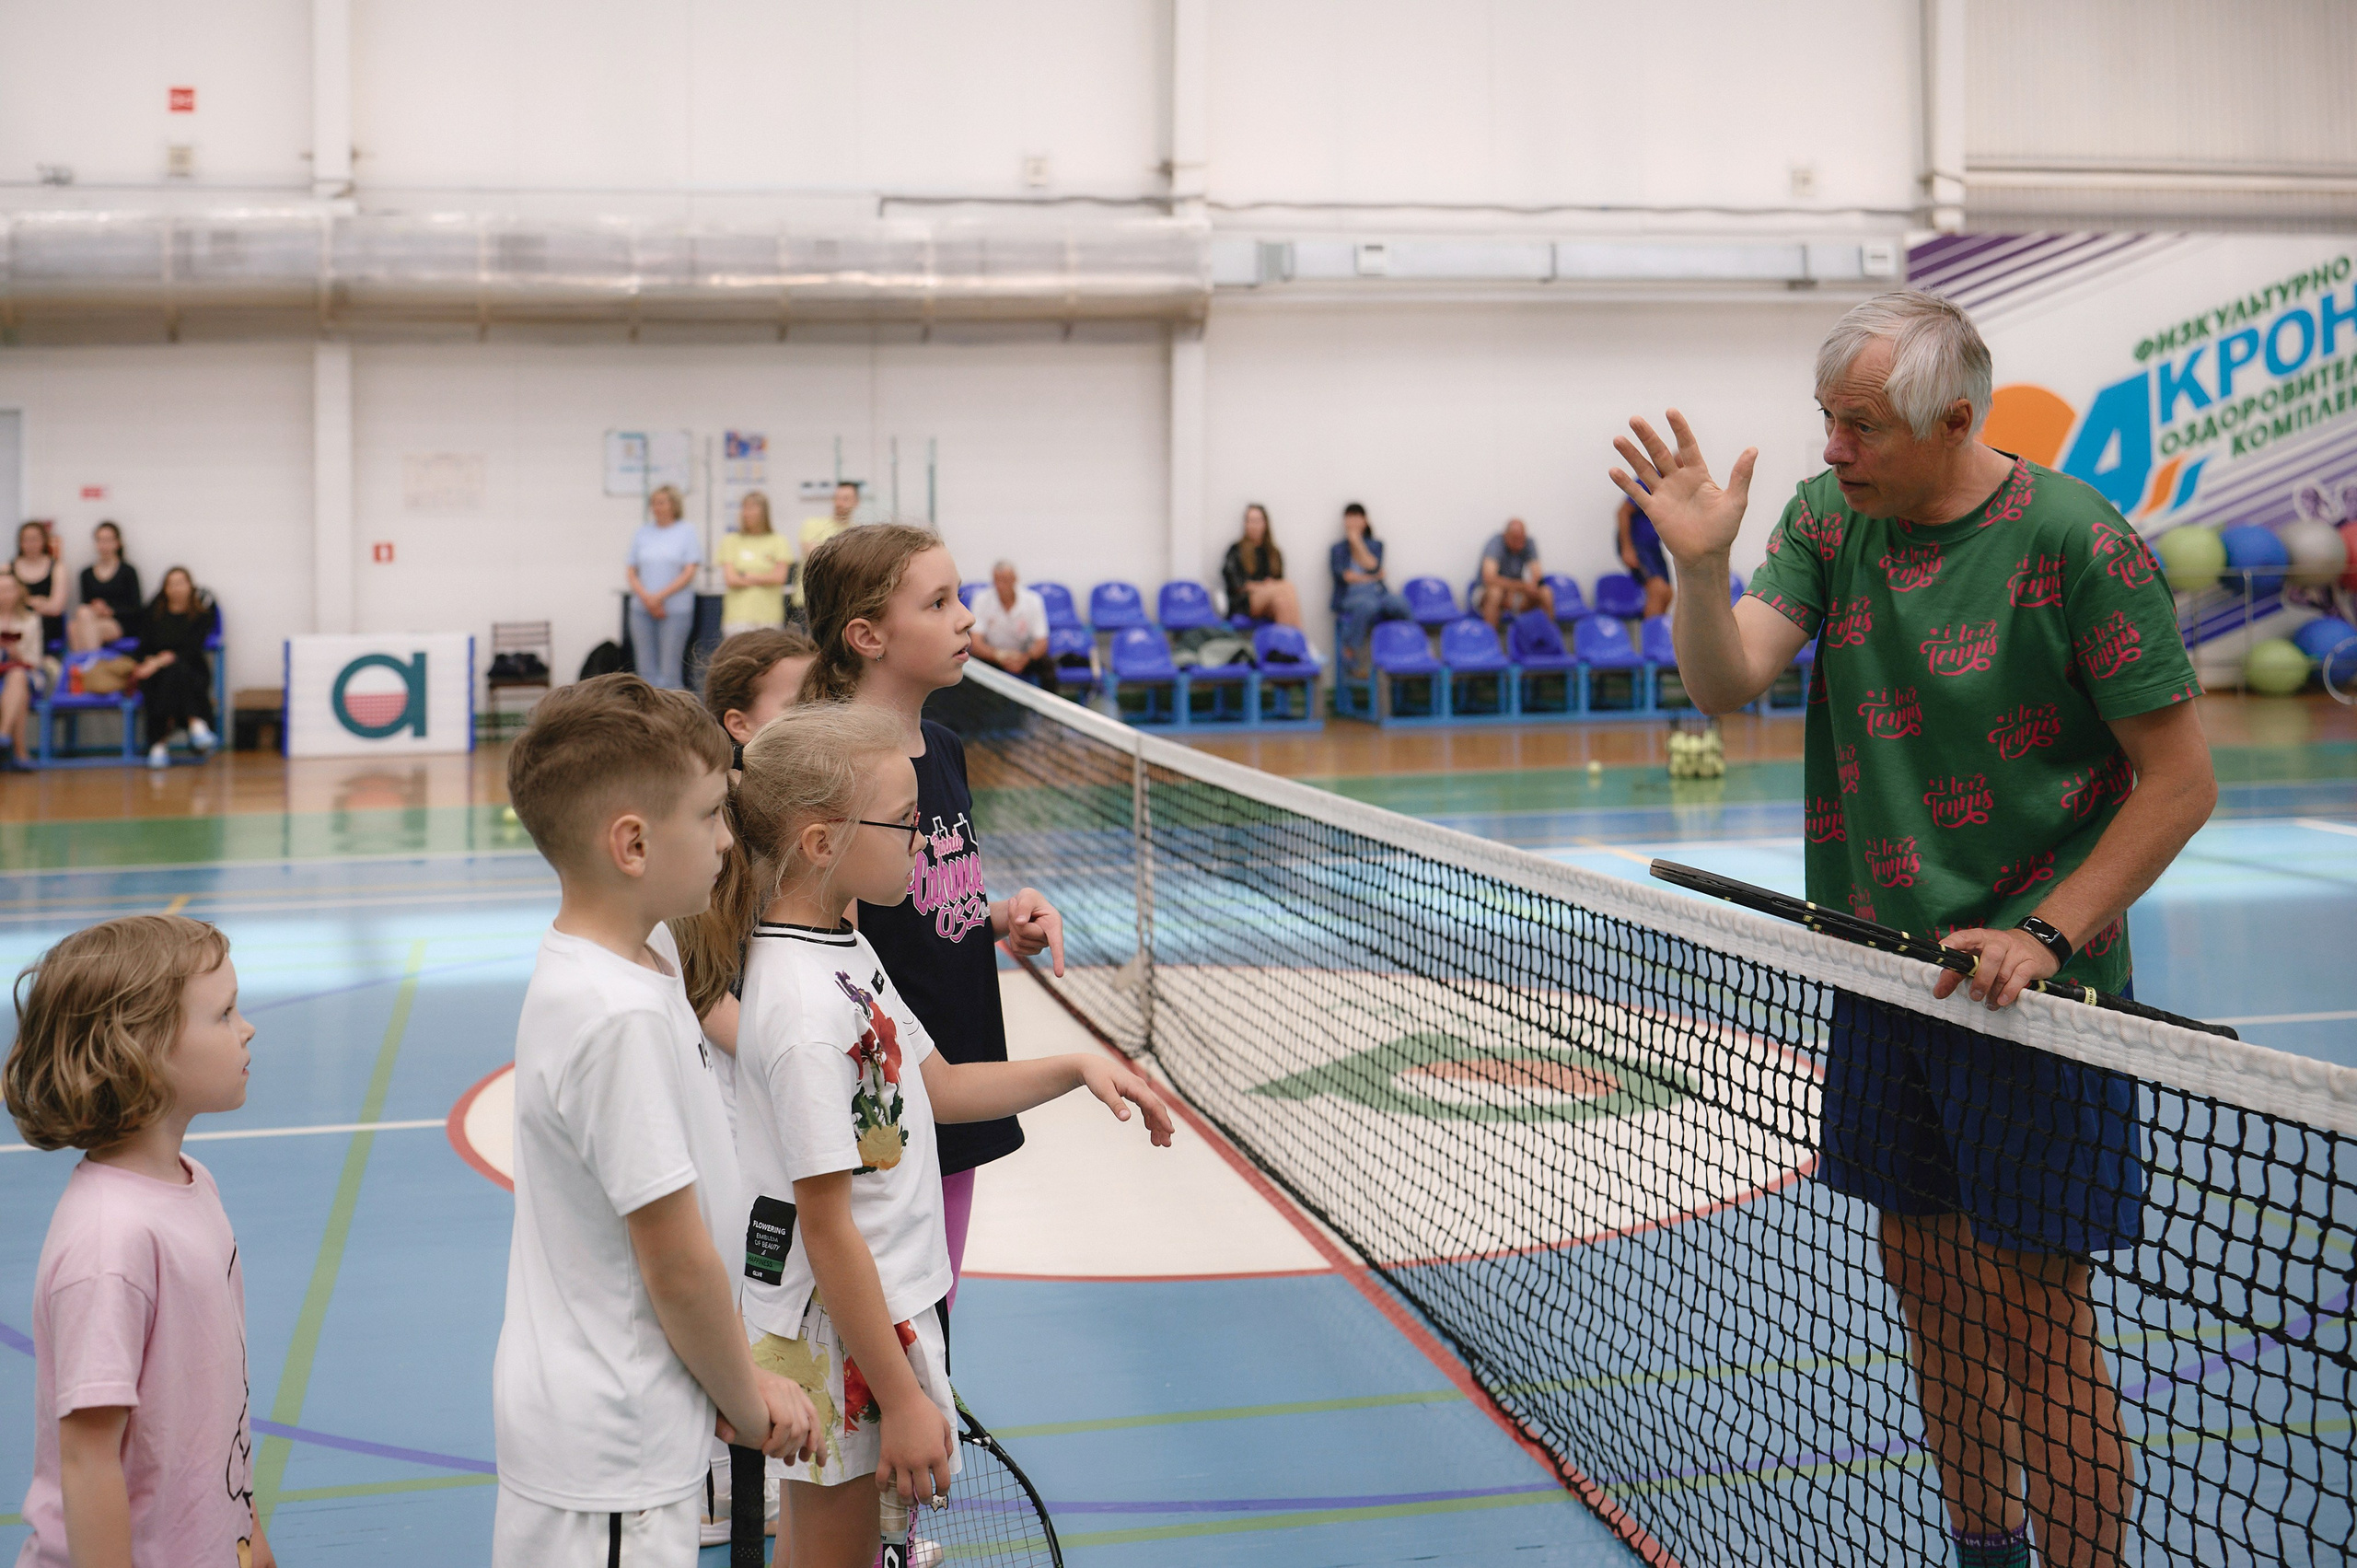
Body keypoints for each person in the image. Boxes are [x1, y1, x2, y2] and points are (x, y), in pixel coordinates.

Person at [1611, 289, 2214, 1568]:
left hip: (2039, 1002)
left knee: (2039, 1317)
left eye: (1863, 426)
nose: (1832, 449)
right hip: (1881, 976)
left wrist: (2044, 934)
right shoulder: (1834, 519)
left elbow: (2180, 782)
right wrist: (1702, 567)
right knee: (1930, 1291)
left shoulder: (2078, 543)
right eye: (1826, 420)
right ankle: (1984, 1550)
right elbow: (1726, 683)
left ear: (1954, 418)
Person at [677, 701, 1172, 1568]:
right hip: (838, 1333)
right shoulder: (798, 1007)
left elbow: (935, 1086)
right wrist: (902, 1398)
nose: (925, 840)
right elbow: (826, 1225)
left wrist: (1076, 1067)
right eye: (906, 822)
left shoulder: (846, 950)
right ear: (822, 843)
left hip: (874, 1316)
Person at [493, 674, 820, 1568]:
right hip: (612, 1450)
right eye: (713, 813)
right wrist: (747, 1399)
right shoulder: (617, 1015)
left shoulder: (650, 953)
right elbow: (673, 1259)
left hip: (636, 1409)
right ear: (632, 842)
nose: (727, 838)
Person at [800, 525, 1067, 1315]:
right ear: (868, 636)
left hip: (963, 1070)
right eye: (940, 602)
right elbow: (827, 952)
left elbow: (917, 903)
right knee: (891, 1320)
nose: (966, 619)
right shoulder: (840, 770)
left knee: (936, 1310)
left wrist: (993, 919)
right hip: (892, 1100)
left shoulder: (944, 748)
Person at [1, 914, 275, 1568]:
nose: (248, 1026)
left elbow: (215, 1415)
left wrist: (249, 1538)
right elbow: (89, 1458)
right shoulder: (110, 1244)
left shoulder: (193, 1184)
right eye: (224, 1012)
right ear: (140, 1049)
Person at [672, 623, 818, 1545]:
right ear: (739, 721)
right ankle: (721, 1473)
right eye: (799, 701)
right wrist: (779, 1063)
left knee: (780, 1281)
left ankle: (759, 1463)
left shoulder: (799, 822)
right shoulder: (714, 836)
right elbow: (701, 993)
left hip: (772, 1092)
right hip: (728, 1097)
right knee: (732, 1273)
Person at [131, 566, 217, 770]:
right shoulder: (154, 613)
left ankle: (159, 744)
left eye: (181, 583)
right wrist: (153, 662)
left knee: (177, 670)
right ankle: (195, 723)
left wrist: (161, 661)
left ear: (190, 586)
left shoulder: (201, 614)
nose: (176, 588)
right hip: (156, 673)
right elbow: (143, 648)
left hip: (190, 669)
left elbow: (192, 649)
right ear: (165, 589)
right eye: (171, 584)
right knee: (170, 676)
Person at [627, 484, 703, 691]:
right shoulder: (642, 533)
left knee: (670, 671)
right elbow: (632, 570)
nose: (656, 507)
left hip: (675, 609)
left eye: (661, 502)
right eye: (653, 503)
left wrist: (659, 597)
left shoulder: (686, 532)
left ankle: (672, 717)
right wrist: (648, 599)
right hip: (641, 609)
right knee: (645, 670)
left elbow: (688, 571)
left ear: (674, 505)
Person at [1329, 503, 1412, 677]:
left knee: (1399, 603)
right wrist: (1372, 576)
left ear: (1365, 521)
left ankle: (1410, 646)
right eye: (1349, 517)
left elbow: (1373, 566)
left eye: (1357, 517)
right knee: (1368, 605)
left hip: (1378, 592)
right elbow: (1347, 577)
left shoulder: (1376, 545)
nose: (1353, 522)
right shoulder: (1338, 549)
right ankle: (1350, 653)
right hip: (1351, 596)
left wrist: (1357, 542)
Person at [969, 560, 1056, 690]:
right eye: (997, 580)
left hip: (1024, 654)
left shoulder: (1033, 600)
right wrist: (999, 656)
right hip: (993, 655)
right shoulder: (981, 600)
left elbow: (1042, 642)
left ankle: (1049, 708)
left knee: (1047, 666)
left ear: (1015, 579)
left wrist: (1025, 658)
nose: (1001, 585)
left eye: (1005, 580)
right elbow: (976, 643)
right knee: (971, 666)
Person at [718, 492, 793, 641]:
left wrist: (747, 576)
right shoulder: (731, 541)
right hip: (737, 617)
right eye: (744, 508)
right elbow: (731, 579)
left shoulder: (778, 540)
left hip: (769, 616)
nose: (746, 513)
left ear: (763, 512)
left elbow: (780, 577)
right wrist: (766, 578)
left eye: (752, 508)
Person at [792, 482, 863, 627]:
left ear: (856, 502)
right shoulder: (812, 524)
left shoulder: (859, 532)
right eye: (837, 498)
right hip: (809, 601)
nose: (839, 502)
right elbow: (816, 554)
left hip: (841, 604)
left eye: (845, 498)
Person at [1220, 504, 1303, 627]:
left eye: (1257, 521)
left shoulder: (1273, 553)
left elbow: (1278, 581)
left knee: (1282, 601)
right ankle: (1301, 642)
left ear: (1265, 523)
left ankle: (1285, 645)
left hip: (1270, 601)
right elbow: (1235, 584)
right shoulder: (1236, 550)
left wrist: (1268, 586)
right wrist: (1261, 586)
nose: (1253, 525)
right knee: (1288, 587)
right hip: (1244, 602)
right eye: (1249, 521)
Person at [0, 571, 48, 771]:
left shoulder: (30, 620)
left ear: (18, 592)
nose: (5, 594)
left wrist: (16, 654)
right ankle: (20, 752)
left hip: (25, 672)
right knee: (19, 692)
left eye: (10, 589)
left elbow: (35, 659)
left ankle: (3, 734)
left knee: (18, 678)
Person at [1476, 517, 1553, 628]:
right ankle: (1491, 641)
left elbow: (1537, 574)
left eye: (1522, 539)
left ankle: (1547, 638)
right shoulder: (1495, 543)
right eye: (1515, 539)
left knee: (1545, 592)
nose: (1519, 544)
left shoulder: (1528, 542)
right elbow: (1489, 578)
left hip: (1516, 592)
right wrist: (1520, 586)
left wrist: (1530, 586)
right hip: (1486, 591)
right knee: (1495, 593)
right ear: (1505, 535)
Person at [11, 519, 67, 655]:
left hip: (46, 625)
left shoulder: (56, 568)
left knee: (32, 624)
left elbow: (56, 607)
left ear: (44, 540)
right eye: (26, 539)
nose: (30, 544)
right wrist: (37, 602)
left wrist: (22, 601)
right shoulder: (8, 569)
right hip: (14, 622)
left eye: (34, 539)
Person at [1615, 493, 1675, 619]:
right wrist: (1627, 548)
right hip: (1638, 545)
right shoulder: (1648, 481)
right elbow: (1623, 512)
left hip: (1654, 546)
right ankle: (1651, 637)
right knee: (1657, 589)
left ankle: (1658, 631)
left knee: (1668, 593)